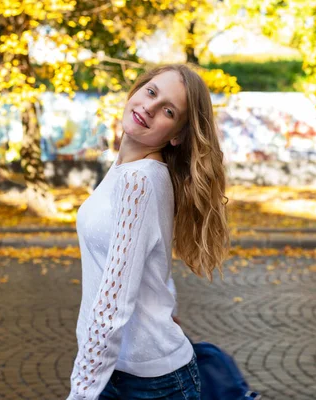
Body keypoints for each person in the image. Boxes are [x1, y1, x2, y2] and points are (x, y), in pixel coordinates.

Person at [67, 64, 229, 400]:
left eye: (168, 110)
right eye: (151, 92)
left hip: (148, 385)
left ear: (177, 135)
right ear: (137, 90)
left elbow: (111, 305)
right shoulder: (128, 168)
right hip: (120, 370)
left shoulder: (138, 180)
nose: (149, 108)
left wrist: (80, 393)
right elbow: (147, 268)